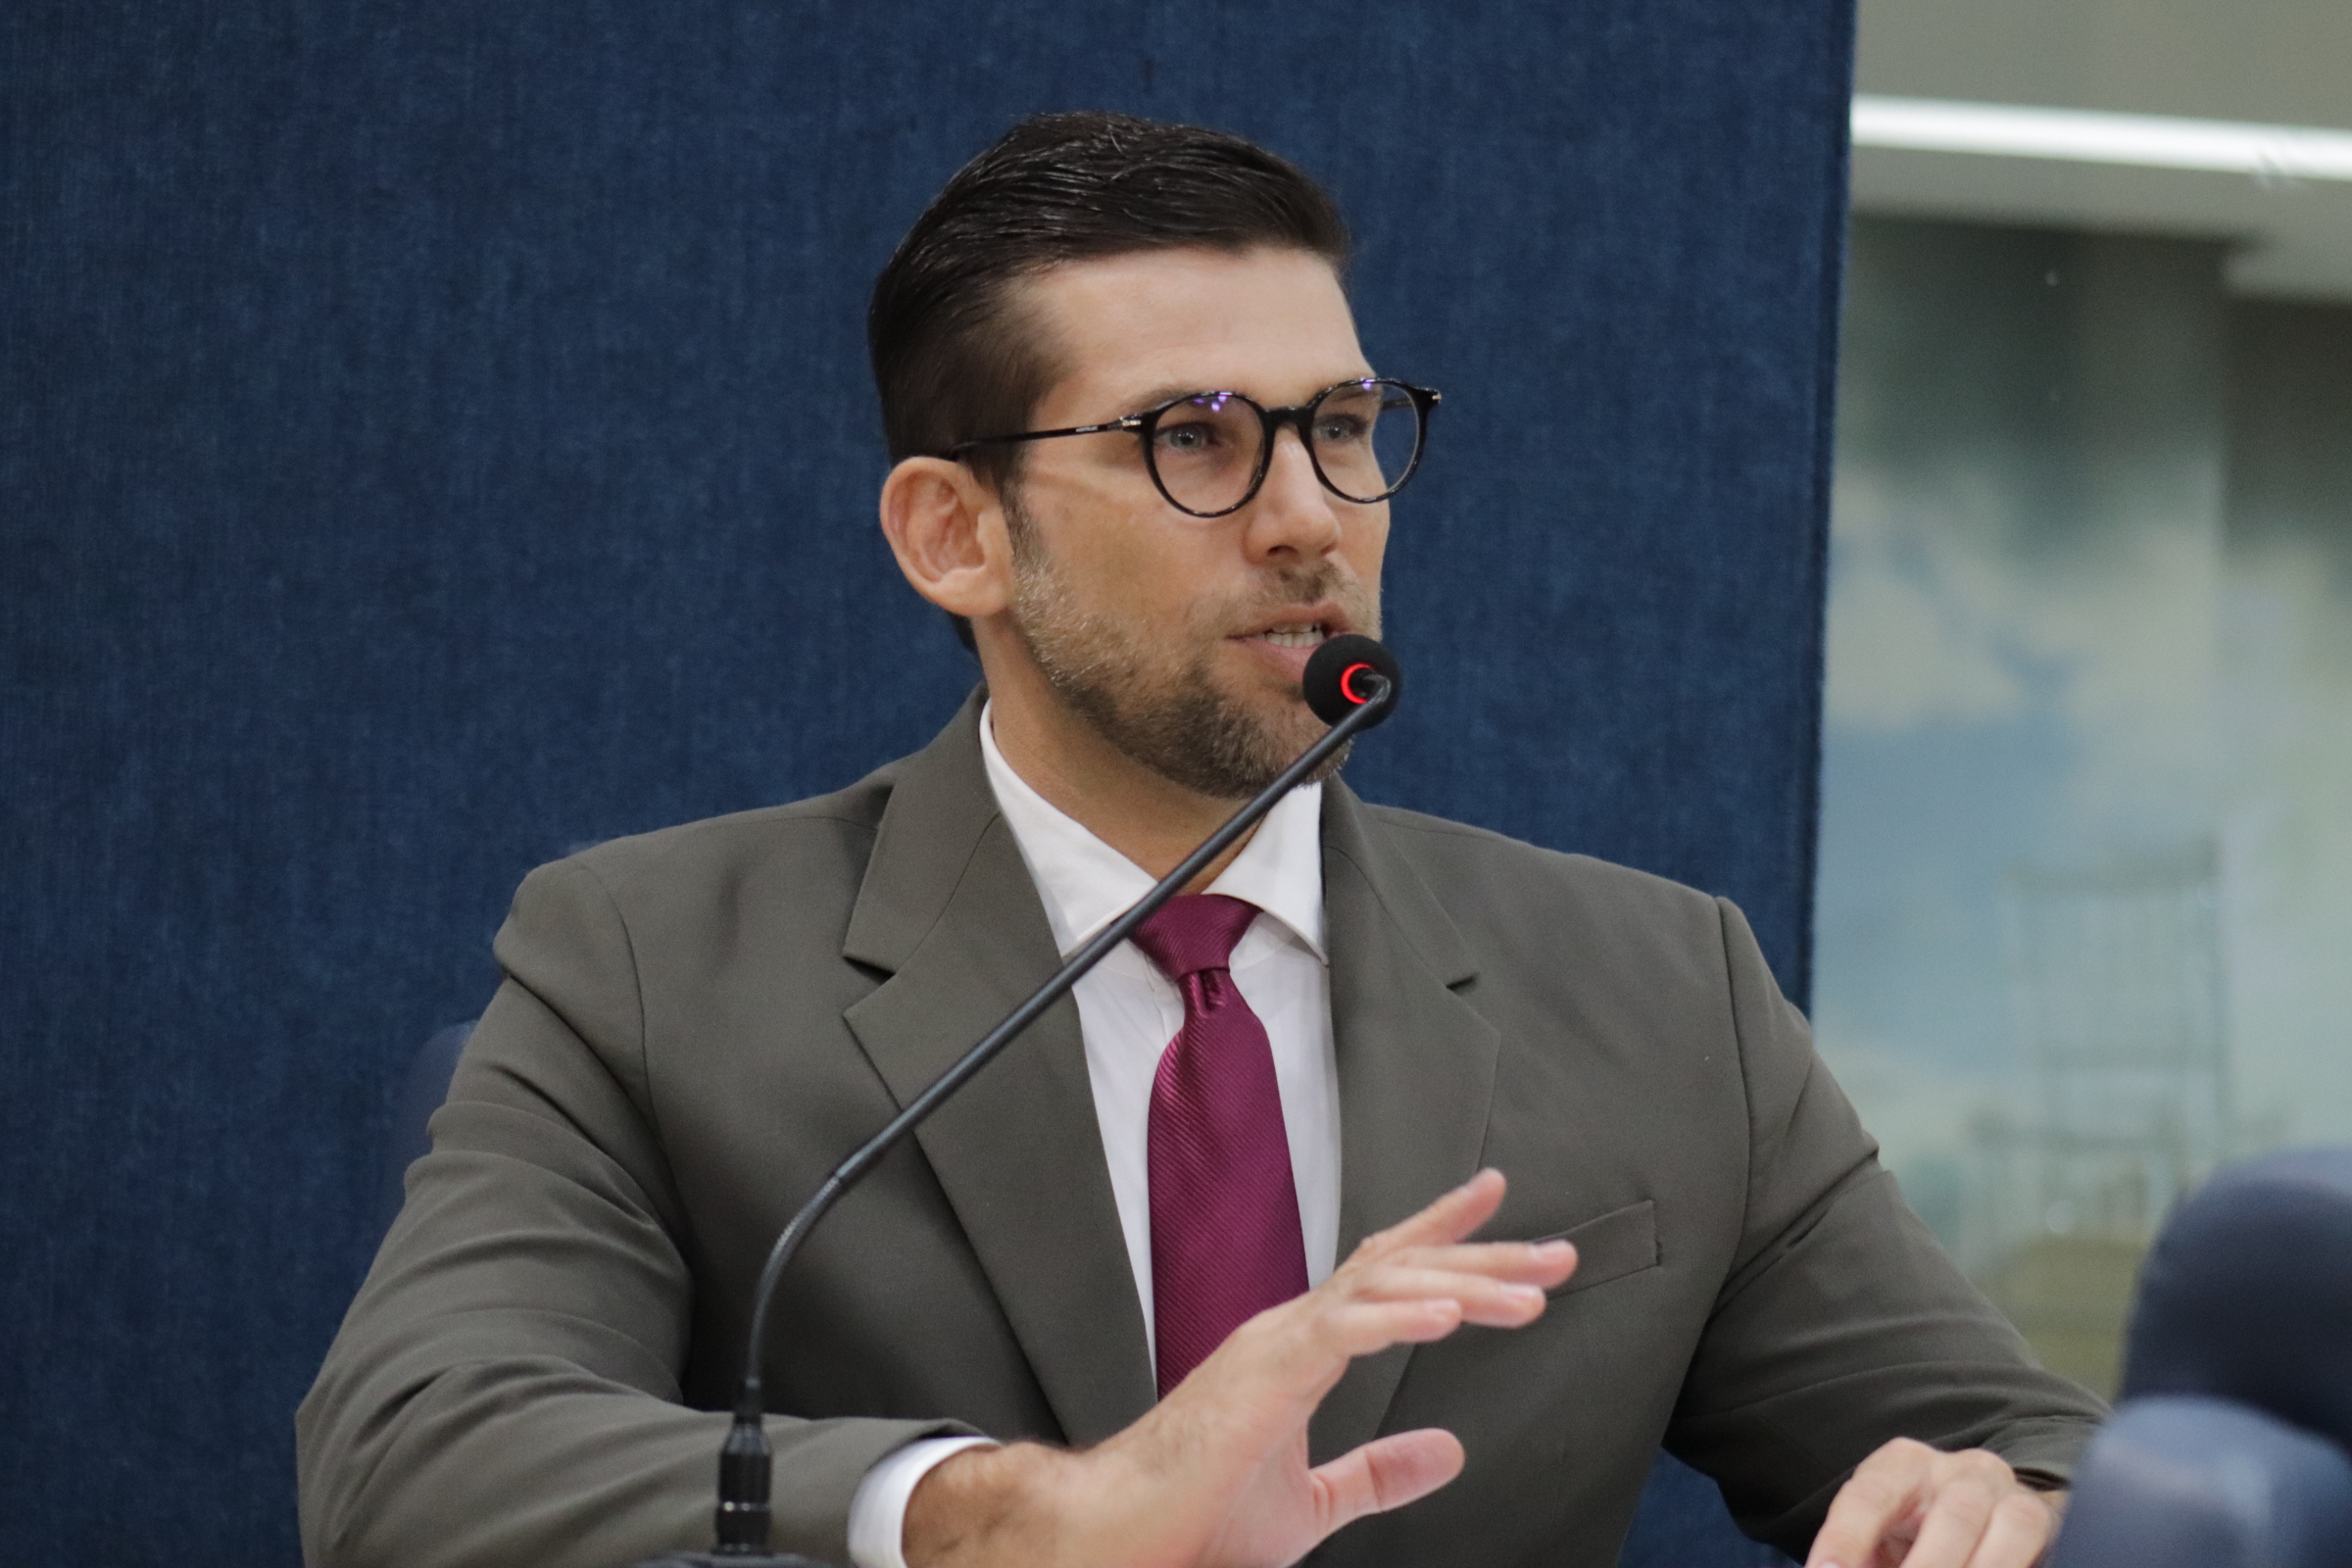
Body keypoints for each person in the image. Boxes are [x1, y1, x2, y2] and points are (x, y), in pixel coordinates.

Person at [298, 112, 2106, 1568]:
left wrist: (2007, 1506)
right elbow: (414, 1459)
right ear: (955, 536)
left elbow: (2024, 1444)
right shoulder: (652, 961)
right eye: (1199, 440)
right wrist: (999, 1516)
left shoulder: (1661, 987)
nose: (1314, 517)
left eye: (1344, 428)